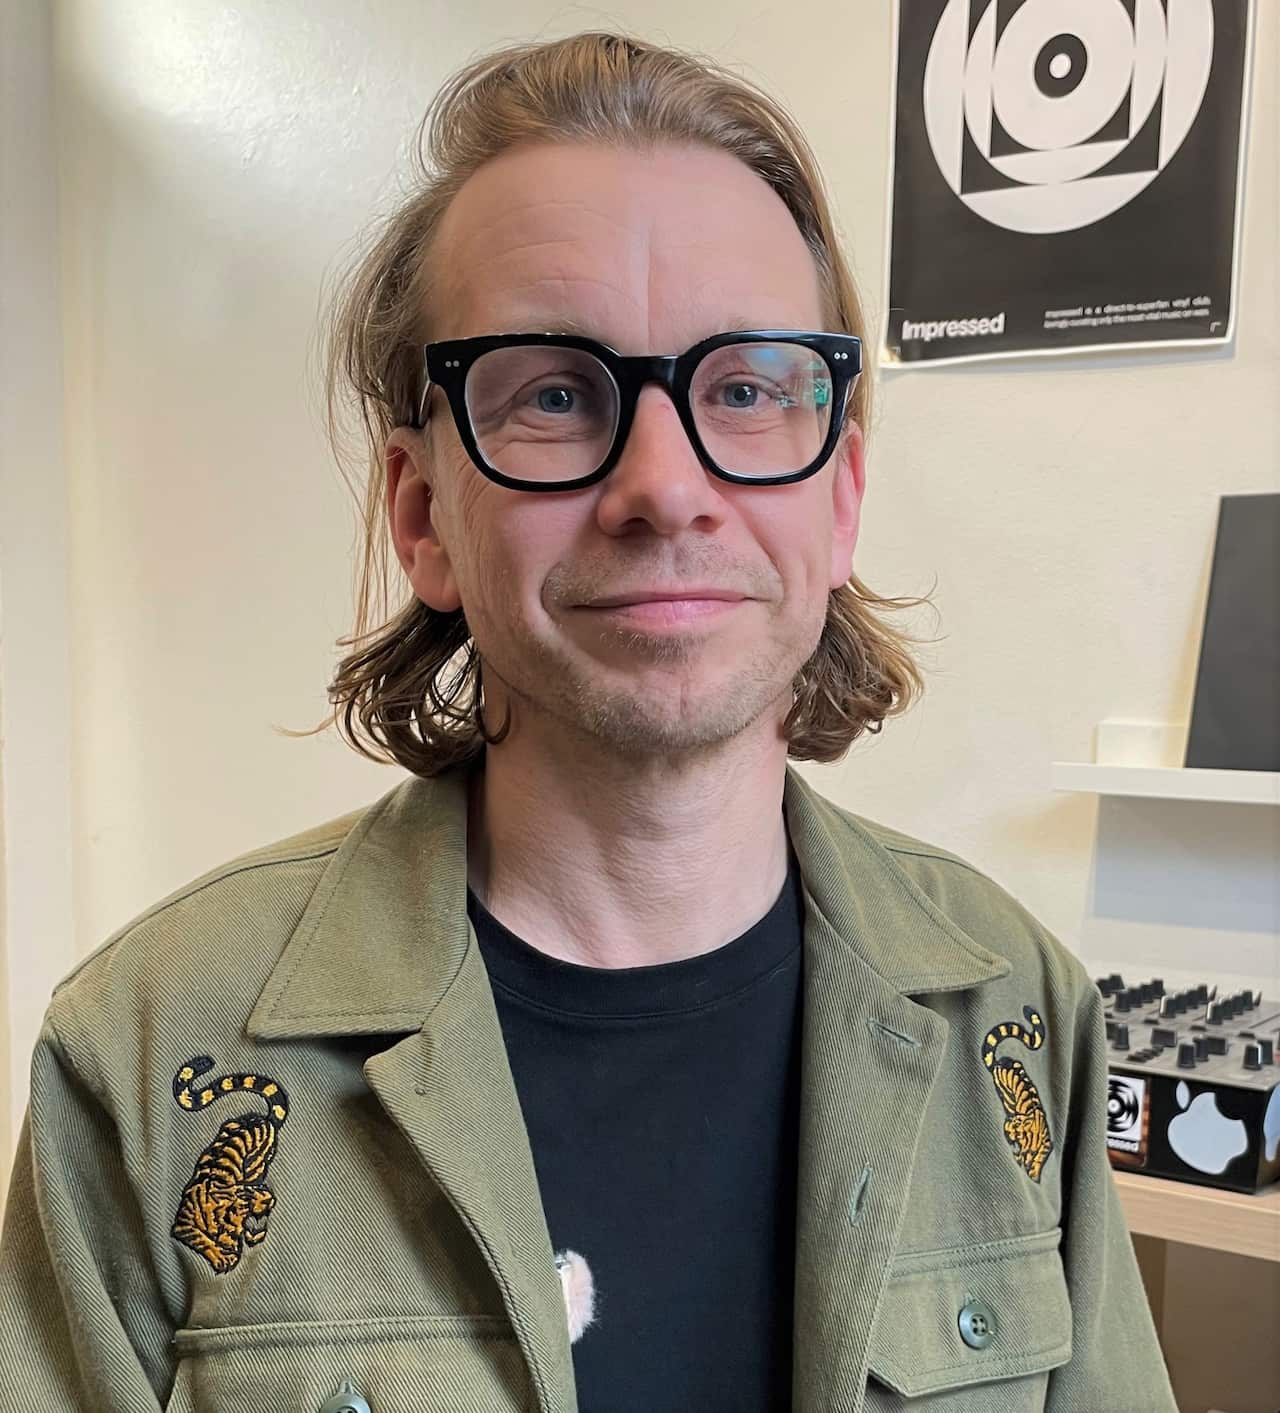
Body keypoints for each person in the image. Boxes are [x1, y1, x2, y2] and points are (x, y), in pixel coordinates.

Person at [0, 30, 1176, 1413]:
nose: (665, 486)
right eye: (556, 394)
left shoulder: (1015, 1009)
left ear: (841, 494)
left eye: (743, 387)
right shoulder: (149, 1057)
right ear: (425, 513)